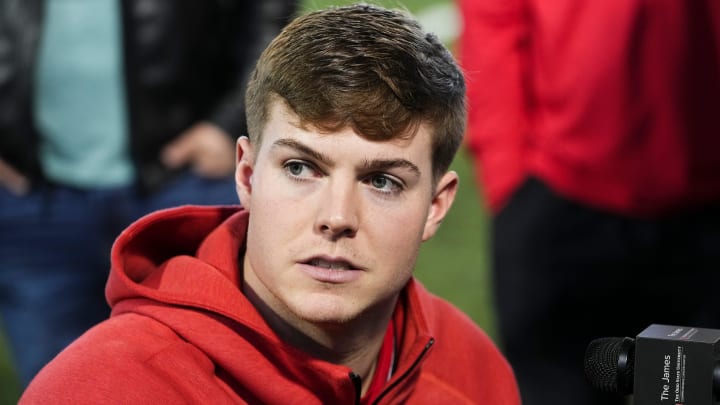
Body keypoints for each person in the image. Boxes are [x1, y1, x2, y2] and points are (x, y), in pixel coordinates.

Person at [18, 4, 521, 403]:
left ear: (436, 206)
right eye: (301, 168)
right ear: (247, 176)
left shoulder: (473, 369)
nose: (337, 218)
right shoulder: (98, 390)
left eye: (382, 181)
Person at [0, 0, 298, 387]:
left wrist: (227, 124)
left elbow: (268, 13)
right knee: (59, 384)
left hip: (183, 182)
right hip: (32, 201)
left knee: (213, 380)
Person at [459, 0, 720, 404]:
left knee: (686, 395)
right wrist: (509, 182)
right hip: (559, 213)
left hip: (702, 222)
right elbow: (494, 20)